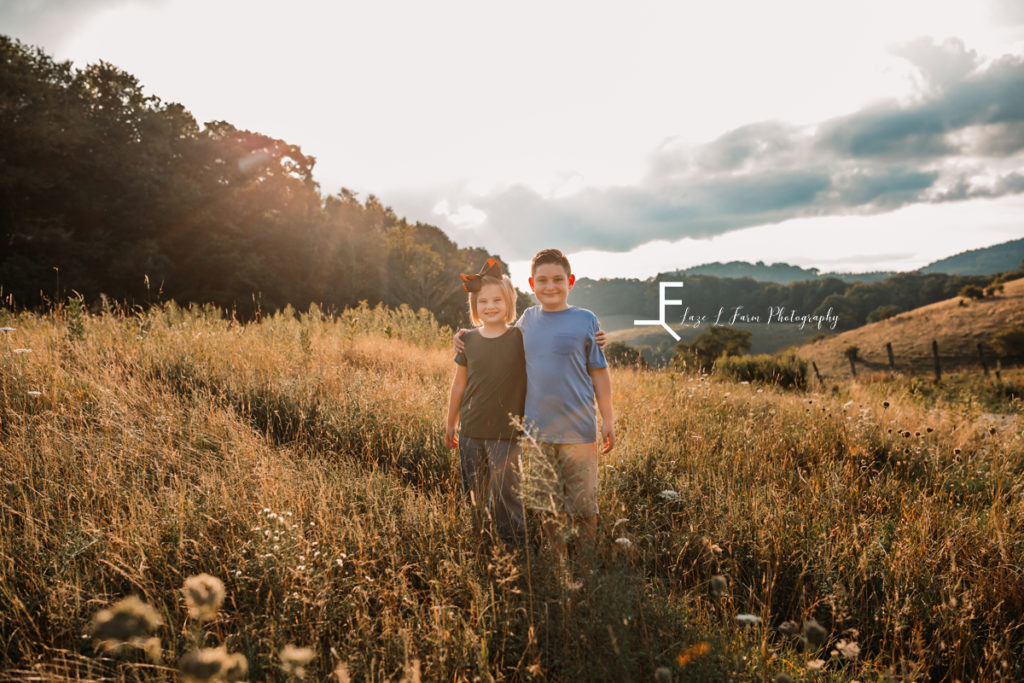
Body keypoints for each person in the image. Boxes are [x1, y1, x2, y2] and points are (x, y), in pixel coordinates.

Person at [456, 249, 614, 560]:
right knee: (547, 504)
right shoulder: (528, 320)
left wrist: (608, 419)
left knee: (583, 506)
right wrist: (463, 337)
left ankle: (585, 564)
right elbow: (494, 336)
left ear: (569, 281)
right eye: (542, 280)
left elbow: (600, 372)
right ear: (531, 283)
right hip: (538, 433)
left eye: (557, 280)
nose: (550, 286)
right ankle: (557, 563)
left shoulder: (586, 320)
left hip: (580, 432)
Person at [445, 258, 527, 548]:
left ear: (509, 303)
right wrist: (451, 421)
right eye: (483, 302)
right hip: (471, 431)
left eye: (497, 300)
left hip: (506, 434)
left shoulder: (520, 337)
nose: (490, 307)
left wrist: (595, 338)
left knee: (509, 494)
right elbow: (459, 384)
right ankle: (481, 541)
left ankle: (515, 546)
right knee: (474, 493)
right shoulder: (468, 339)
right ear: (474, 306)